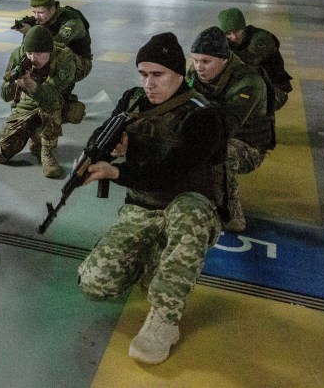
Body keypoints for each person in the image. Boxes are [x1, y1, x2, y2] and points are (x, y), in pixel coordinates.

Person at [77, 32, 227, 365]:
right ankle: (155, 259)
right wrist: (97, 152)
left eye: (157, 75)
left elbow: (170, 174)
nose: (149, 84)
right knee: (94, 283)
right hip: (141, 208)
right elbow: (101, 134)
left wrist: (117, 172)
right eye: (143, 74)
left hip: (187, 207)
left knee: (190, 213)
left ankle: (164, 320)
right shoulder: (132, 100)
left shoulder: (203, 115)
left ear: (179, 74)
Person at [188, 26, 275, 232]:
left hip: (248, 144)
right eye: (195, 60)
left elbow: (227, 125)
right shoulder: (195, 74)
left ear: (224, 60)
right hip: (211, 132)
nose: (199, 67)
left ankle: (230, 212)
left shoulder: (249, 81)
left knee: (223, 153)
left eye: (206, 61)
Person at [0, 25, 78, 179]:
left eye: (38, 53)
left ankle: (48, 152)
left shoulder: (63, 58)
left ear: (49, 51)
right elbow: (4, 95)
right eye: (29, 52)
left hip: (53, 105)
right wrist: (16, 82)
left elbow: (51, 95)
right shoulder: (18, 55)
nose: (32, 58)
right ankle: (35, 135)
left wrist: (30, 84)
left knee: (51, 104)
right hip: (25, 108)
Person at [217, 7, 292, 109]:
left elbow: (247, 62)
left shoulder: (261, 39)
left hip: (275, 89)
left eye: (237, 31)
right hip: (253, 85)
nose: (234, 37)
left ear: (244, 27)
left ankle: (262, 122)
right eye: (228, 33)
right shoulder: (227, 42)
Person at [19, 0, 93, 83]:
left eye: (41, 12)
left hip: (80, 64)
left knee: (47, 53)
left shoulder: (71, 22)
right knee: (28, 54)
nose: (37, 16)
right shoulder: (46, 18)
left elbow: (51, 46)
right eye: (34, 12)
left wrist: (30, 32)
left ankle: (58, 86)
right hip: (63, 57)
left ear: (52, 9)